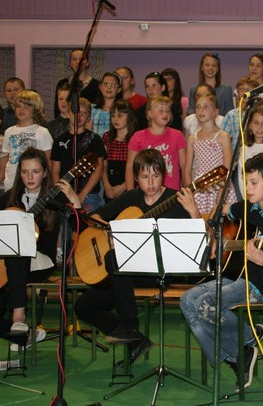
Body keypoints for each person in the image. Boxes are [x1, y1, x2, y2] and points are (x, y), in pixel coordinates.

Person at [181, 153, 263, 390]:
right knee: (187, 300)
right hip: (239, 274)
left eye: (254, 183)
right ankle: (240, 351)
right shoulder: (246, 208)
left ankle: (244, 343)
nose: (248, 188)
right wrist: (218, 237)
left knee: (206, 305)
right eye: (246, 182)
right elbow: (219, 212)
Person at [76, 149, 201, 365]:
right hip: (126, 276)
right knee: (83, 307)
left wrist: (194, 212)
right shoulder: (131, 197)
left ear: (163, 175)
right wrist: (110, 232)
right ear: (135, 178)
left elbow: (200, 239)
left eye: (155, 176)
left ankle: (130, 326)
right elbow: (95, 217)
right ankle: (137, 341)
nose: (150, 182)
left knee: (114, 259)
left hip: (158, 272)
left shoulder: (176, 199)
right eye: (144, 176)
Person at [0, 148, 80, 350]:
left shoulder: (55, 197)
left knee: (18, 254)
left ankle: (19, 316)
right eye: (25, 172)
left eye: (35, 171)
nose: (30, 177)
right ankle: (28, 336)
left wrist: (73, 198)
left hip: (42, 261)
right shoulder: (11, 197)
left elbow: (80, 225)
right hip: (11, 266)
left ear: (45, 173)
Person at [50, 97, 106, 212]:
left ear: (89, 117)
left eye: (84, 113)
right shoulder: (59, 140)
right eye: (75, 112)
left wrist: (82, 194)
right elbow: (55, 171)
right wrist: (61, 191)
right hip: (64, 194)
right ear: (68, 114)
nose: (79, 116)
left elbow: (99, 167)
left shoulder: (94, 139)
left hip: (88, 194)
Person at [184, 92, 235, 215]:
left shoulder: (223, 136)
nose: (201, 110)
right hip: (199, 189)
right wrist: (190, 192)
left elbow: (227, 168)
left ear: (215, 112)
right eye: (198, 107)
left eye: (206, 107)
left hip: (219, 187)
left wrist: (221, 192)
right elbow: (187, 170)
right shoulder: (193, 138)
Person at [126, 96, 187, 192]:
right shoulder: (138, 137)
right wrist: (130, 194)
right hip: (145, 192)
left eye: (167, 110)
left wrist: (187, 190)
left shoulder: (178, 135)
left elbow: (184, 166)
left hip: (172, 192)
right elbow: (130, 167)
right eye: (161, 110)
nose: (165, 113)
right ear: (150, 113)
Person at [0, 90, 53, 190]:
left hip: (34, 183)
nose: (21, 109)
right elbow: (4, 162)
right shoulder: (9, 132)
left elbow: (49, 163)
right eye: (18, 106)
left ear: (35, 109)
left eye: (26, 106)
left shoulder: (42, 132)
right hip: (11, 184)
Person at [102, 100, 137, 202]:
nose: (115, 119)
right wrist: (106, 185)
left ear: (129, 117)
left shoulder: (136, 138)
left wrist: (123, 186)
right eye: (113, 116)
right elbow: (103, 165)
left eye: (120, 116)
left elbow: (138, 168)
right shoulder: (107, 137)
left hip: (129, 185)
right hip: (110, 185)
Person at [53, 49, 100, 120]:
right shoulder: (62, 83)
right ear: (70, 63)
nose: (78, 62)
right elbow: (57, 111)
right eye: (74, 59)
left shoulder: (97, 85)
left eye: (81, 59)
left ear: (88, 63)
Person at [90, 71, 122, 137]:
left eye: (113, 85)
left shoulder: (122, 110)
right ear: (100, 87)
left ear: (119, 89)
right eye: (106, 84)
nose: (109, 87)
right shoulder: (91, 109)